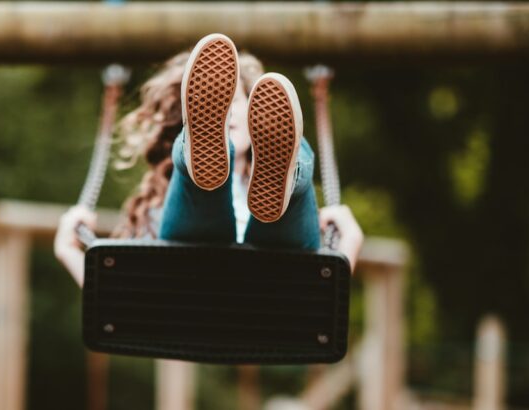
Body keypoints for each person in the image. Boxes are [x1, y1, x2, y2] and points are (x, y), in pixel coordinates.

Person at [55, 34, 363, 286]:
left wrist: (70, 250)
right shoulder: (156, 208)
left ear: (258, 111)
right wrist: (348, 244)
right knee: (195, 195)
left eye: (235, 101)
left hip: (267, 280)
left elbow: (118, 308)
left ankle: (286, 175)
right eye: (217, 105)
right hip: (252, 292)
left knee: (284, 208)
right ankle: (198, 162)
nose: (226, 111)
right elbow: (321, 304)